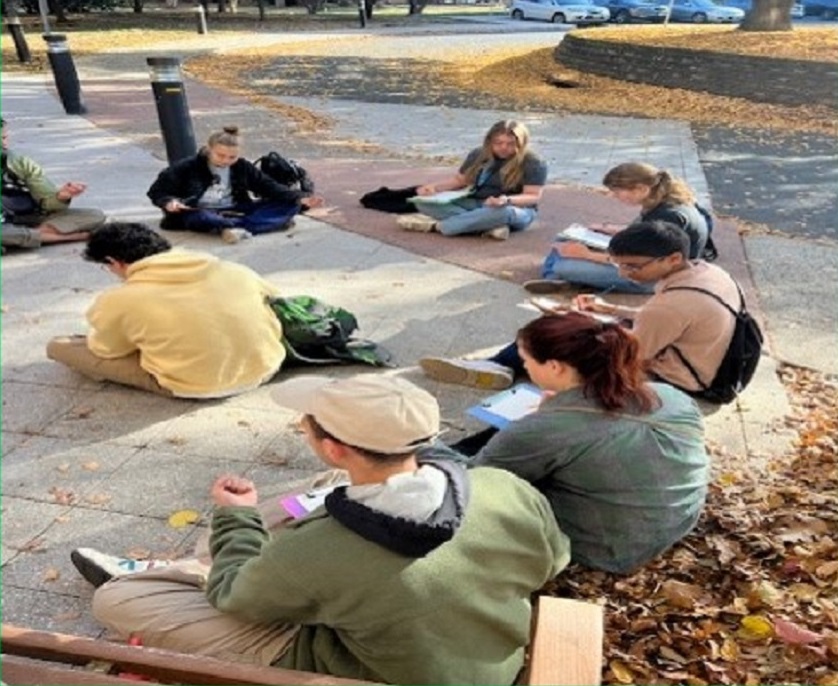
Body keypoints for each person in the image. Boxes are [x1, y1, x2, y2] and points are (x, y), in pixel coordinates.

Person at [70, 375, 570, 685]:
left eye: (306, 424)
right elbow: (554, 559)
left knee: (119, 598)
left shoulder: (318, 553)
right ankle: (203, 557)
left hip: (372, 669)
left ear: (333, 446)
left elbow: (234, 598)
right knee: (312, 500)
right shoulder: (502, 485)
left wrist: (236, 517)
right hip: (481, 657)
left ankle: (170, 570)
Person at [425, 312, 710, 574]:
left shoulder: (541, 430)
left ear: (554, 367)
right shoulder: (670, 396)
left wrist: (422, 442)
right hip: (674, 520)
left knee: (443, 460)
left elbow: (473, 482)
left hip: (606, 548)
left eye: (526, 361)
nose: (524, 366)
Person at [420, 220, 741, 400]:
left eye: (632, 267)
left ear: (671, 258)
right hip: (701, 359)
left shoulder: (673, 305)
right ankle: (500, 367)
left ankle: (509, 368)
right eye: (620, 265)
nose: (625, 274)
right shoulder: (704, 272)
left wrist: (584, 328)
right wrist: (607, 308)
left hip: (676, 378)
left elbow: (631, 355)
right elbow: (667, 318)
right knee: (567, 326)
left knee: (561, 335)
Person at [46, 222, 286, 398]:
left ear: (113, 262)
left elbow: (106, 350)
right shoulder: (234, 269)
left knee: (59, 346)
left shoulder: (119, 299)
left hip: (196, 385)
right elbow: (273, 298)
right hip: (267, 366)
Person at [528, 161, 709, 294]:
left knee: (563, 264)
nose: (614, 196)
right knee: (563, 240)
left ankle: (558, 277)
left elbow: (639, 262)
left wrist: (586, 254)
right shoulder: (663, 202)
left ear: (640, 188)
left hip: (652, 276)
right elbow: (644, 234)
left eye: (617, 191)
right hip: (647, 261)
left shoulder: (667, 215)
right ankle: (562, 278)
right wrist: (609, 229)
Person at [147, 126, 324, 244]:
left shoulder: (242, 167)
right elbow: (157, 191)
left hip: (236, 207)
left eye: (232, 157)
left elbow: (269, 187)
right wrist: (169, 202)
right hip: (198, 210)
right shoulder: (187, 166)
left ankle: (230, 227)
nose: (226, 161)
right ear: (209, 149)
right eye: (220, 155)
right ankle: (263, 224)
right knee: (203, 219)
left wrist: (301, 198)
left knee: (290, 204)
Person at [397, 120, 548, 241]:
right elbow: (461, 180)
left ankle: (438, 226)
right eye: (498, 143)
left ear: (521, 144)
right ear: (489, 142)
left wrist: (506, 200)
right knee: (421, 202)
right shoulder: (479, 154)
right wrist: (434, 188)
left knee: (503, 213)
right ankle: (487, 226)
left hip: (513, 209)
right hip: (476, 202)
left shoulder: (533, 162)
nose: (503, 148)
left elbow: (533, 196)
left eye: (510, 144)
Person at [1, 117, 106, 251]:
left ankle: (20, 238)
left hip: (27, 217)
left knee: (94, 215)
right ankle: (65, 237)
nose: (4, 145)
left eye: (5, 138)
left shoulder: (19, 163)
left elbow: (49, 203)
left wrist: (62, 196)